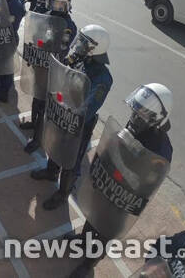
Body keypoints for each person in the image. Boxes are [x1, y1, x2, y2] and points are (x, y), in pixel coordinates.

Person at [68, 83, 173, 278]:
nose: (135, 117)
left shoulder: (163, 149)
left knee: (106, 229)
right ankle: (82, 241)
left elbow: (149, 181)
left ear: (157, 118)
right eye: (136, 110)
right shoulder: (137, 126)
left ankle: (89, 263)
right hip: (111, 181)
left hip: (125, 195)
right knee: (94, 215)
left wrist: (136, 157)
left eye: (141, 114)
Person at [29, 24, 113, 210]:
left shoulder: (103, 77)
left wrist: (67, 108)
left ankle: (63, 193)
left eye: (85, 43)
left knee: (71, 158)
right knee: (56, 144)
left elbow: (88, 107)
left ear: (95, 48)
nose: (80, 45)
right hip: (63, 111)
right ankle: (51, 171)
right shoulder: (81, 61)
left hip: (79, 124)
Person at [22, 0, 77, 153]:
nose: (57, 7)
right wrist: (34, 51)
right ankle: (33, 121)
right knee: (36, 96)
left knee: (45, 104)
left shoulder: (68, 25)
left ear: (67, 5)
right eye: (54, 2)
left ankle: (38, 138)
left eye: (61, 4)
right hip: (41, 63)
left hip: (54, 67)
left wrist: (49, 41)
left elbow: (63, 46)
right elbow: (35, 34)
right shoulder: (45, 16)